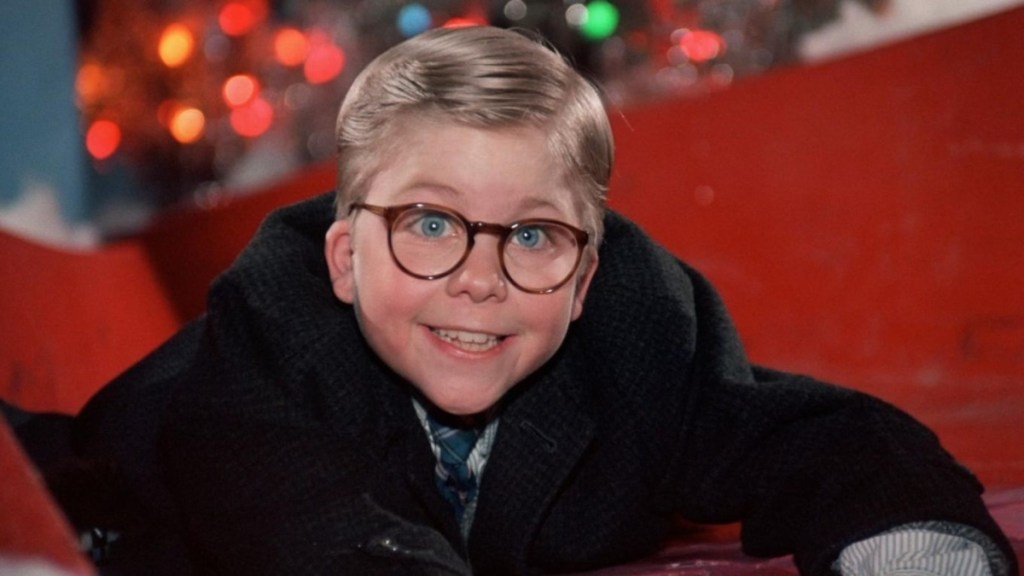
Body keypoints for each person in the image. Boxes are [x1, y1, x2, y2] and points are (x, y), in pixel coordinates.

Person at [62, 26, 1017, 575]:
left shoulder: (638, 340)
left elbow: (809, 438)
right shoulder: (271, 344)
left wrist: (911, 544)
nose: (481, 276)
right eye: (430, 224)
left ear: (585, 277)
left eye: (531, 236)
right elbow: (313, 535)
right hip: (129, 495)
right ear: (346, 258)